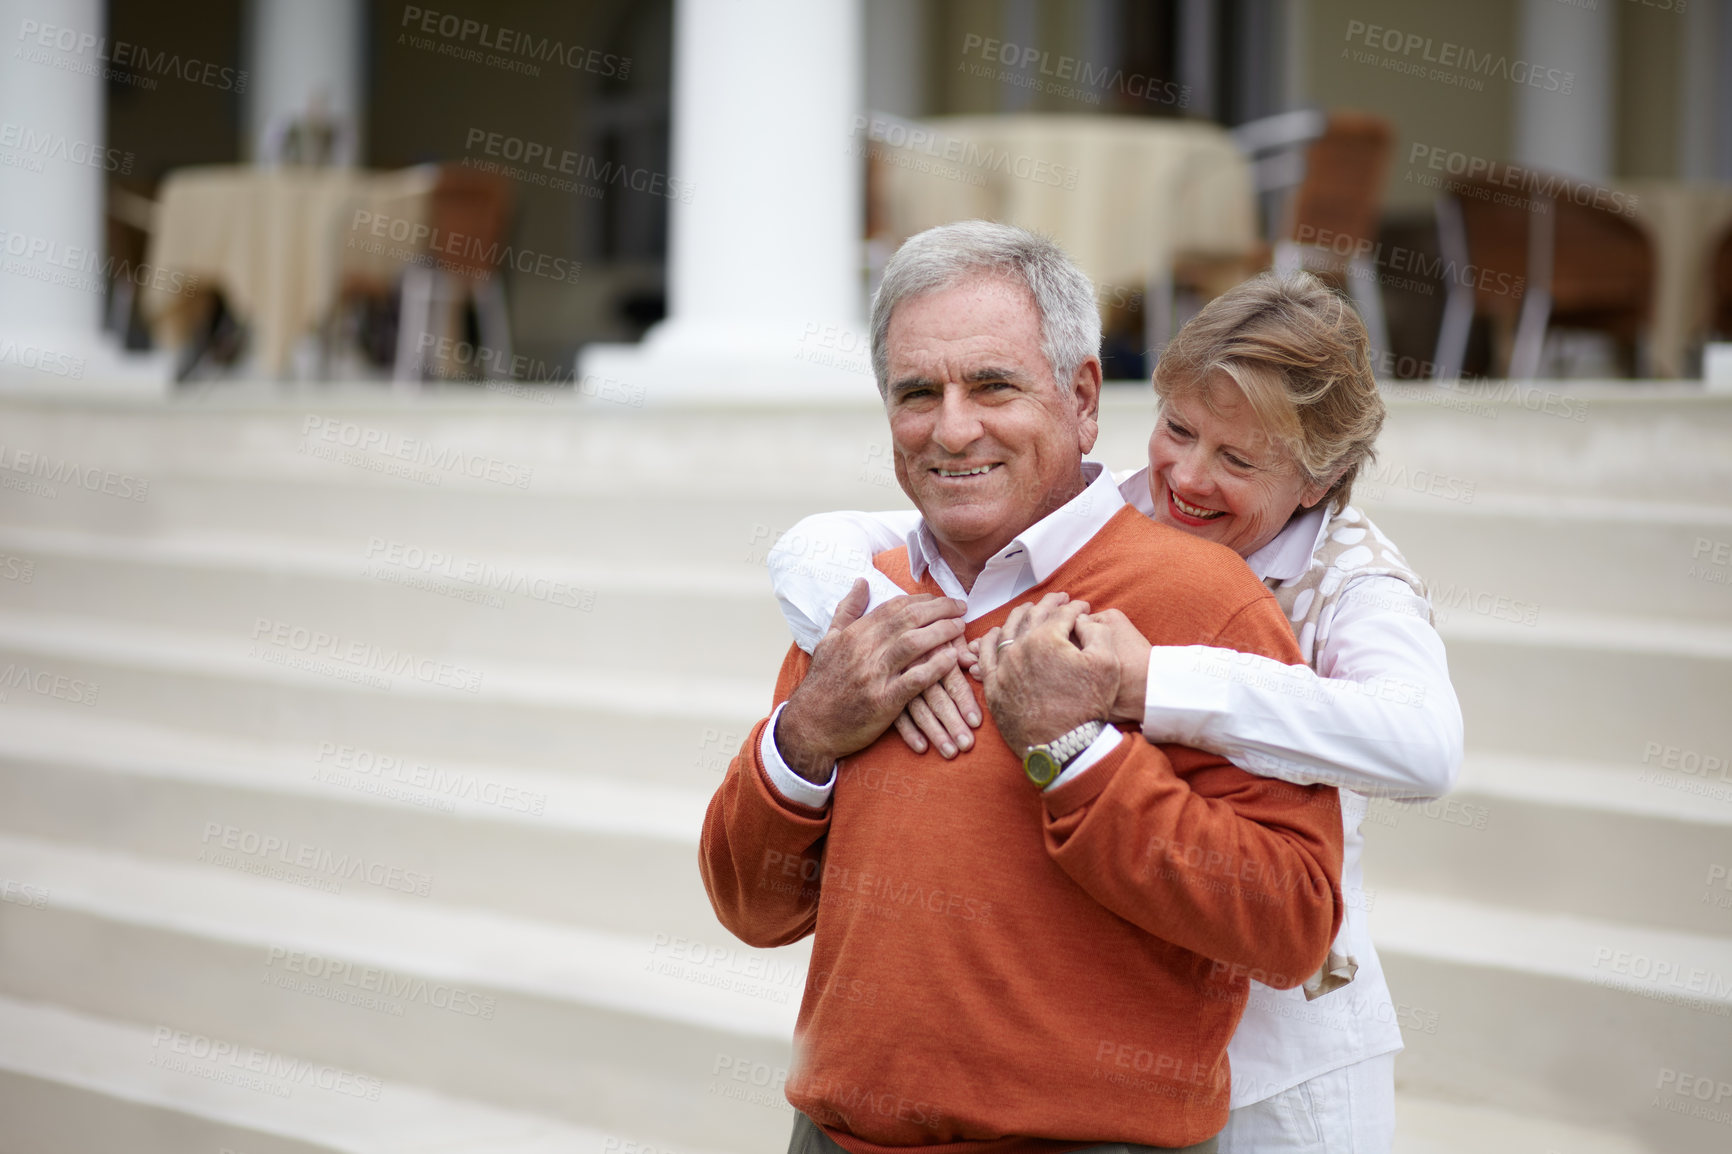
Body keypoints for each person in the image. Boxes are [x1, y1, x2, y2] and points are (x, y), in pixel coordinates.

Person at [768, 271, 1464, 1154]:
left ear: (1318, 477)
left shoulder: (1360, 584)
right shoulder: (1130, 507)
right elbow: (828, 539)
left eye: (1239, 460)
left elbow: (1427, 748)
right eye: (1178, 429)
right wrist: (870, 634)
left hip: (1289, 1054)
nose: (1188, 477)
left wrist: (1145, 681)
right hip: (1128, 1017)